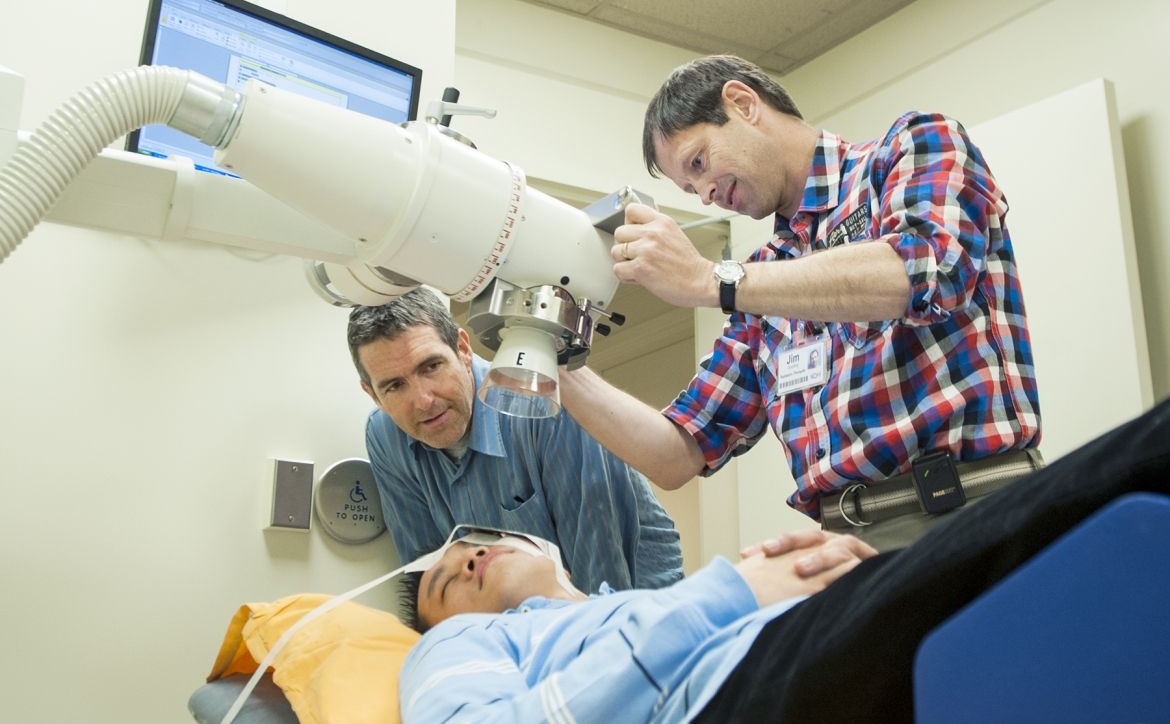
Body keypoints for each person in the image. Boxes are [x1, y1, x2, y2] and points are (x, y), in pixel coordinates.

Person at [398, 397, 1170, 723]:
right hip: (732, 692)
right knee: (1106, 490)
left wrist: (841, 579)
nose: (470, 557)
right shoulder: (456, 644)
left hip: (806, 635)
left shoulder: (615, 605)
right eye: (445, 579)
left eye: (483, 541)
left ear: (548, 547)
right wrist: (732, 594)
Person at [559, 54, 1042, 549]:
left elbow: (921, 269)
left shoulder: (912, 148)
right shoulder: (762, 278)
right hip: (847, 541)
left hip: (967, 514)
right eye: (689, 187)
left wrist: (711, 279)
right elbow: (677, 452)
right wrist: (554, 358)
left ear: (743, 103)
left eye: (699, 163)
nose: (704, 194)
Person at [346, 287, 684, 594]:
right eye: (394, 386)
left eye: (431, 366)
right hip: (513, 630)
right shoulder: (385, 437)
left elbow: (601, 571)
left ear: (463, 349)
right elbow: (430, 577)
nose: (423, 400)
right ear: (372, 394)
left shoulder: (545, 397)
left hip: (630, 613)